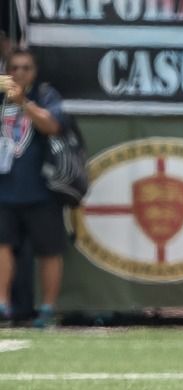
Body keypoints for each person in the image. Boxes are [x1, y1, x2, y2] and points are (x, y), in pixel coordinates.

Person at [0, 48, 68, 327]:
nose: (19, 73)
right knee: (2, 247)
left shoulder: (45, 95)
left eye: (26, 68)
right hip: (5, 191)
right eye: (14, 68)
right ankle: (3, 305)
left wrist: (23, 101)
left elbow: (52, 126)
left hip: (41, 191)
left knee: (49, 252)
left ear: (34, 71)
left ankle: (48, 309)